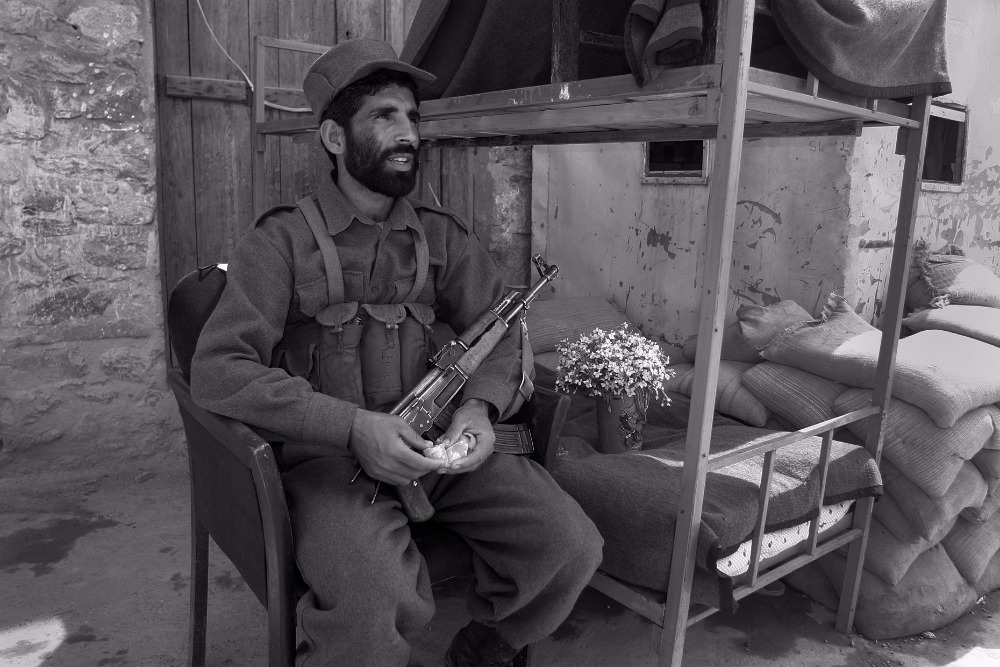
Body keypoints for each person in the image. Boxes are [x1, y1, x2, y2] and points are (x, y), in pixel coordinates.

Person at [190, 39, 603, 667]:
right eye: (384, 116)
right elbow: (220, 369)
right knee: (372, 602)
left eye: (412, 116)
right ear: (335, 137)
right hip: (330, 467)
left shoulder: (442, 238)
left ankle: (483, 650)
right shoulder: (279, 244)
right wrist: (352, 427)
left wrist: (478, 412)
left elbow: (501, 330)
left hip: (438, 450)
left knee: (569, 546)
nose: (408, 132)